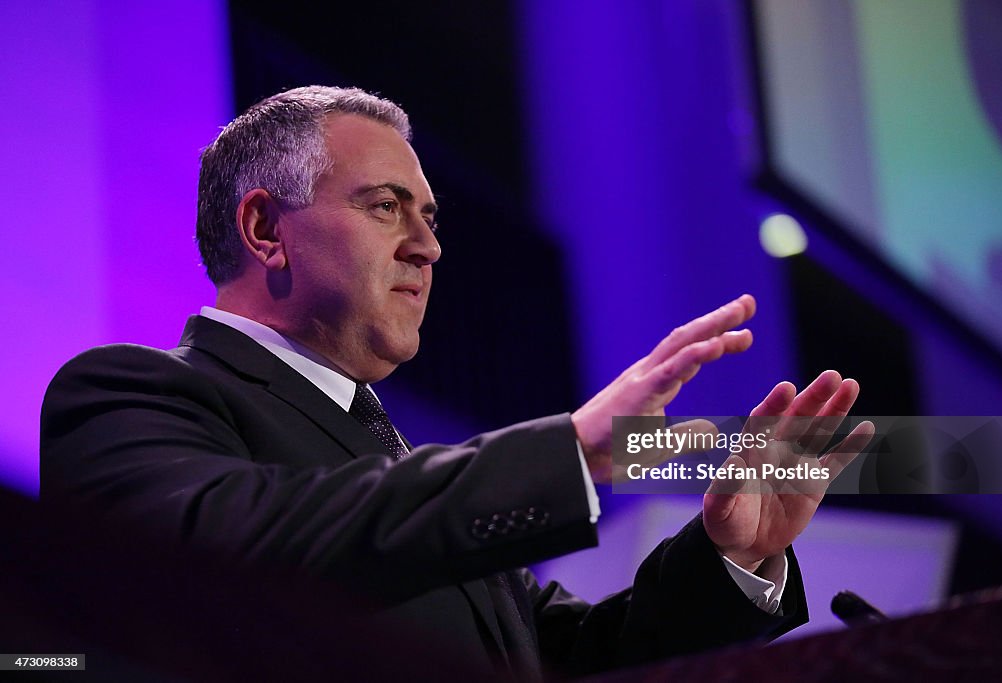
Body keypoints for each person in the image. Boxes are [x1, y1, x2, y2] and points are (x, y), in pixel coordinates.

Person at [40, 86, 872, 680]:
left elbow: (567, 658)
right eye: (385, 207)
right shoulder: (126, 393)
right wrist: (571, 451)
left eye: (429, 217)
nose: (427, 247)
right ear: (265, 228)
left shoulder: (409, 473)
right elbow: (224, 561)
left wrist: (733, 552)